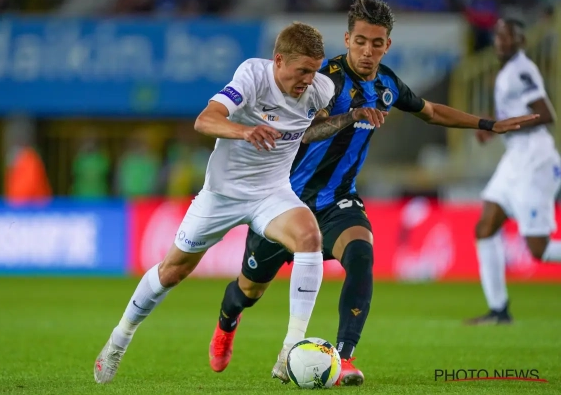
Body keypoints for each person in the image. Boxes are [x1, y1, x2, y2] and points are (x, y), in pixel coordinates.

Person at [207, 0, 540, 387]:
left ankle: (345, 357)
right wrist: (350, 117)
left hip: (337, 200)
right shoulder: (323, 81)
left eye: (376, 43)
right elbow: (303, 133)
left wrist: (487, 123)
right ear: (348, 39)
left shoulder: (387, 84)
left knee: (361, 253)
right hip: (284, 200)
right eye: (361, 41)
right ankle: (227, 323)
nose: (368, 51)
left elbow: (431, 112)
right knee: (248, 290)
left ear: (387, 45)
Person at [93, 21, 388, 384]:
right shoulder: (252, 75)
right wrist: (245, 130)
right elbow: (205, 120)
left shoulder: (320, 88)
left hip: (272, 192)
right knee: (172, 271)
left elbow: (310, 129)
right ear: (278, 61)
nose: (309, 80)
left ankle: (289, 351)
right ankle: (119, 339)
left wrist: (349, 118)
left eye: (314, 71)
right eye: (302, 71)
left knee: (308, 237)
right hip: (222, 195)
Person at [466, 18, 561, 325]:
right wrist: (494, 126)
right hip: (515, 160)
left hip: (535, 161)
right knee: (485, 228)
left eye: (509, 37)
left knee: (539, 249)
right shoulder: (507, 72)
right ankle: (499, 311)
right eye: (499, 36)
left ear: (522, 41)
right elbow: (515, 114)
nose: (502, 41)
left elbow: (546, 114)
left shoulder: (522, 69)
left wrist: (501, 125)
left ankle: (499, 310)